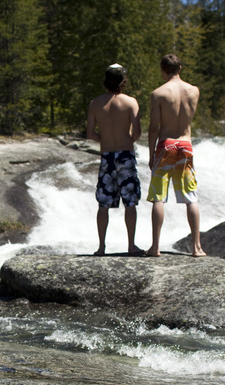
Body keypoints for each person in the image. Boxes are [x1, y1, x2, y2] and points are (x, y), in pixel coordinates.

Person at [146, 54, 206, 257]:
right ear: (180, 68)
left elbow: (153, 128)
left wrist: (151, 154)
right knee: (191, 197)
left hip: (166, 144)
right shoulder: (194, 91)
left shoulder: (158, 94)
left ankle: (155, 247)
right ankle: (197, 247)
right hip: (185, 144)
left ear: (163, 70)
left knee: (158, 198)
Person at [87, 63, 143, 256]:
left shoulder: (95, 103)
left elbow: (90, 134)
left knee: (103, 203)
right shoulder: (130, 102)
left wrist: (104, 139)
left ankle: (101, 247)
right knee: (130, 202)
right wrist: (127, 140)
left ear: (106, 82)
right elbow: (137, 132)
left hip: (107, 155)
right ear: (123, 81)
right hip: (125, 154)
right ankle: (131, 245)